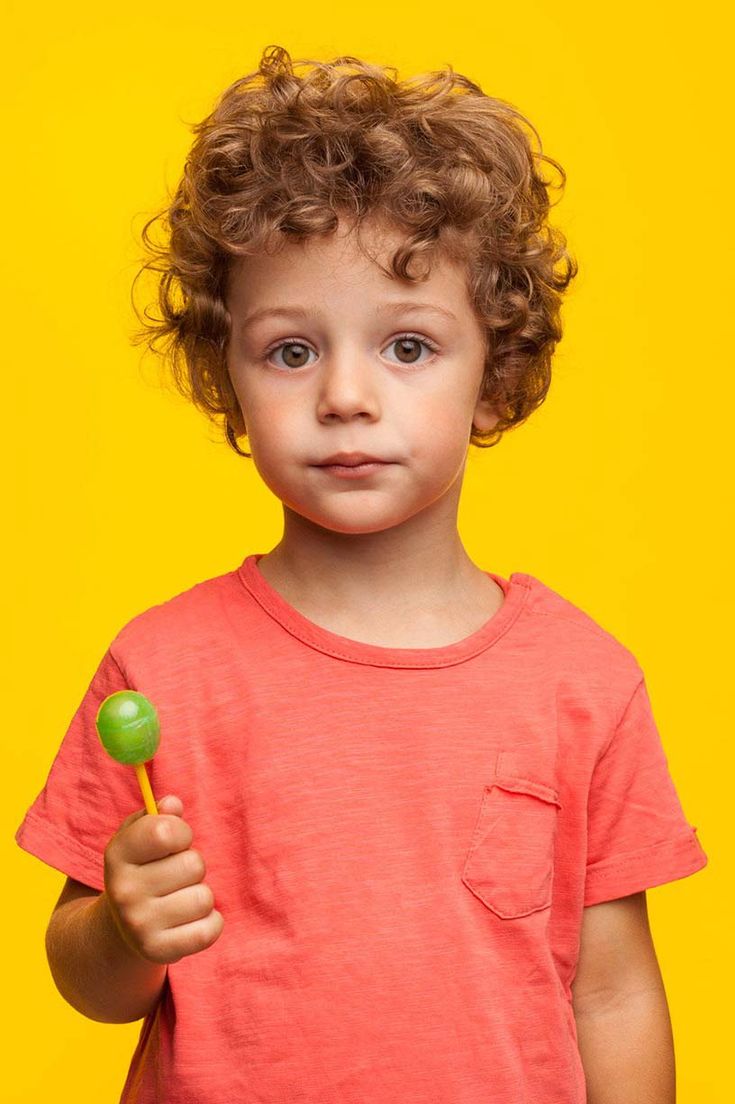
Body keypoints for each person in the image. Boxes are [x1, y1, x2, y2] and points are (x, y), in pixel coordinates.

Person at [15, 44, 708, 1104]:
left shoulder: (586, 683)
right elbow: (94, 985)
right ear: (226, 373)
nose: (344, 395)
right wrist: (118, 927)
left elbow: (611, 995)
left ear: (498, 372)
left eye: (408, 348)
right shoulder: (160, 668)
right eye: (291, 351)